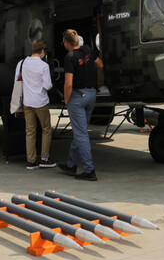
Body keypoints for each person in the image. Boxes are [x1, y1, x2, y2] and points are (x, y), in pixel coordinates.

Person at [58, 28, 102, 181]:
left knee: (81, 134)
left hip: (78, 96)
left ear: (66, 43)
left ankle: (89, 170)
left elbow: (68, 83)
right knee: (81, 130)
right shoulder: (88, 50)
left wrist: (66, 99)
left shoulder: (69, 57)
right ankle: (71, 165)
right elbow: (100, 64)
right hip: (91, 94)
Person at [16, 39, 56, 170]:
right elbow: (48, 85)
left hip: (27, 102)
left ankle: (31, 161)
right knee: (46, 129)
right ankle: (44, 158)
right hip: (41, 102)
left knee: (30, 131)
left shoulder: (24, 63)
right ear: (43, 51)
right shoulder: (44, 66)